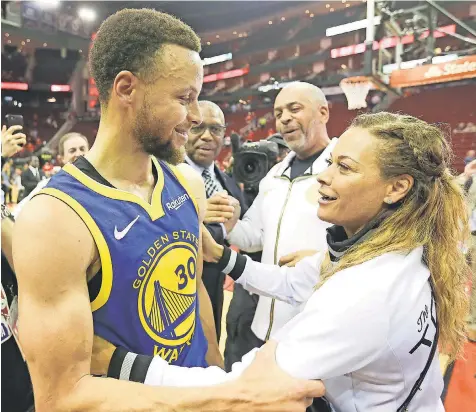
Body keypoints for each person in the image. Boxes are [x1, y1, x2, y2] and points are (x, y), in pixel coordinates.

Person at [12, 9, 324, 411]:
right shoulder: (53, 217)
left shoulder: (185, 183)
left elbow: (192, 295)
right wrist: (226, 396)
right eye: (184, 98)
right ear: (127, 88)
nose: (195, 117)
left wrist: (214, 375)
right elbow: (61, 397)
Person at [96, 112, 470, 411]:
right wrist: (221, 256)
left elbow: (241, 388)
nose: (323, 177)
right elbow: (293, 282)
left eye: (345, 167)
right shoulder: (399, 248)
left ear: (397, 187)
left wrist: (115, 362)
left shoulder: (365, 292)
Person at [217, 82, 338, 366]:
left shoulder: (343, 168)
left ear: (323, 112)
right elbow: (255, 237)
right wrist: (232, 222)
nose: (284, 118)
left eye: (295, 109)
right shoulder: (274, 175)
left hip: (317, 330)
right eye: (278, 112)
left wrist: (330, 262)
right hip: (266, 328)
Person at [184, 100, 247, 341]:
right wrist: (201, 218)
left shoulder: (229, 183)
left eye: (216, 129)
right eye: (198, 127)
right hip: (179, 292)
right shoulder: (164, 174)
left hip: (216, 288)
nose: (208, 137)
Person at [13, 132, 89, 219]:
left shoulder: (103, 183)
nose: (79, 154)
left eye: (82, 149)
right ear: (61, 158)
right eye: (72, 150)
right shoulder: (49, 185)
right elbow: (17, 214)